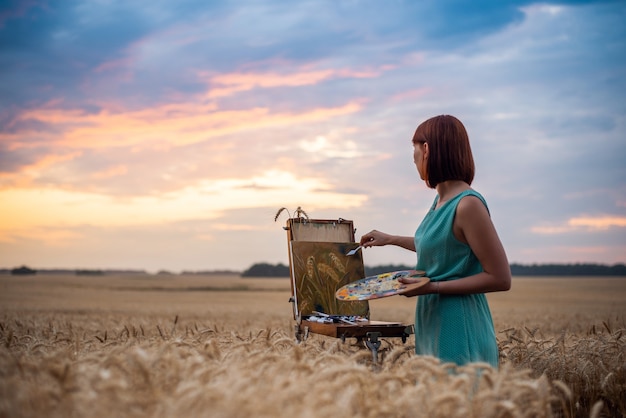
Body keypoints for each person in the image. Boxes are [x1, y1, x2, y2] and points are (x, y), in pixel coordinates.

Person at [360, 115, 511, 368]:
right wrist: (391, 239)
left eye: (415, 153)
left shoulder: (468, 204)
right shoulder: (440, 201)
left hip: (459, 326)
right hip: (433, 321)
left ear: (427, 149)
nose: (415, 160)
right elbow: (444, 247)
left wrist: (432, 288)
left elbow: (500, 278)